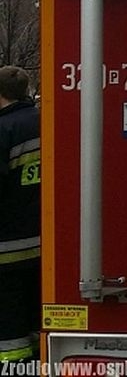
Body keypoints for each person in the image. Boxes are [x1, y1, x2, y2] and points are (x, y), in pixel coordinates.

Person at [0, 66, 41, 365]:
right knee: (34, 311)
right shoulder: (43, 120)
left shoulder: (4, 130)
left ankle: (12, 366)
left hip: (6, 245)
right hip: (42, 244)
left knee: (9, 319)